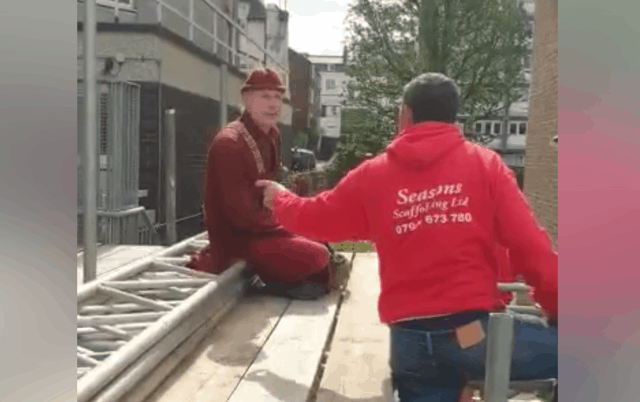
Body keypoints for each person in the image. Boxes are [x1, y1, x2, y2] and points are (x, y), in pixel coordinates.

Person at [256, 72, 558, 401]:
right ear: (454, 118)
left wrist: (280, 198)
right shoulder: (486, 166)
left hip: (410, 345)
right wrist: (560, 309)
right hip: (473, 336)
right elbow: (532, 248)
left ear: (405, 114)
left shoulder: (374, 174)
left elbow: (316, 217)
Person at [187, 68, 337, 300]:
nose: (273, 104)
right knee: (317, 254)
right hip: (238, 239)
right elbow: (241, 217)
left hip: (263, 229)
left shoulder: (272, 135)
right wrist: (287, 223)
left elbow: (270, 192)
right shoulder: (229, 143)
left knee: (321, 237)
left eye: (277, 97)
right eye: (264, 96)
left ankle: (294, 276)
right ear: (246, 99)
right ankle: (279, 280)